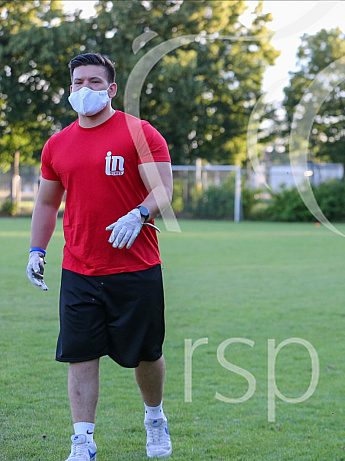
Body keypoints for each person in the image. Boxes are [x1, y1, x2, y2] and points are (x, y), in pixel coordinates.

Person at [25, 53, 173, 460]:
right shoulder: (57, 144)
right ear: (69, 89)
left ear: (110, 89)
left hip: (136, 266)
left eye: (93, 82)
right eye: (77, 83)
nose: (84, 89)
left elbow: (163, 190)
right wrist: (37, 250)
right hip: (79, 267)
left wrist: (139, 212)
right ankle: (83, 442)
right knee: (80, 353)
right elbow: (45, 204)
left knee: (146, 354)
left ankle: (155, 417)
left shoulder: (140, 133)